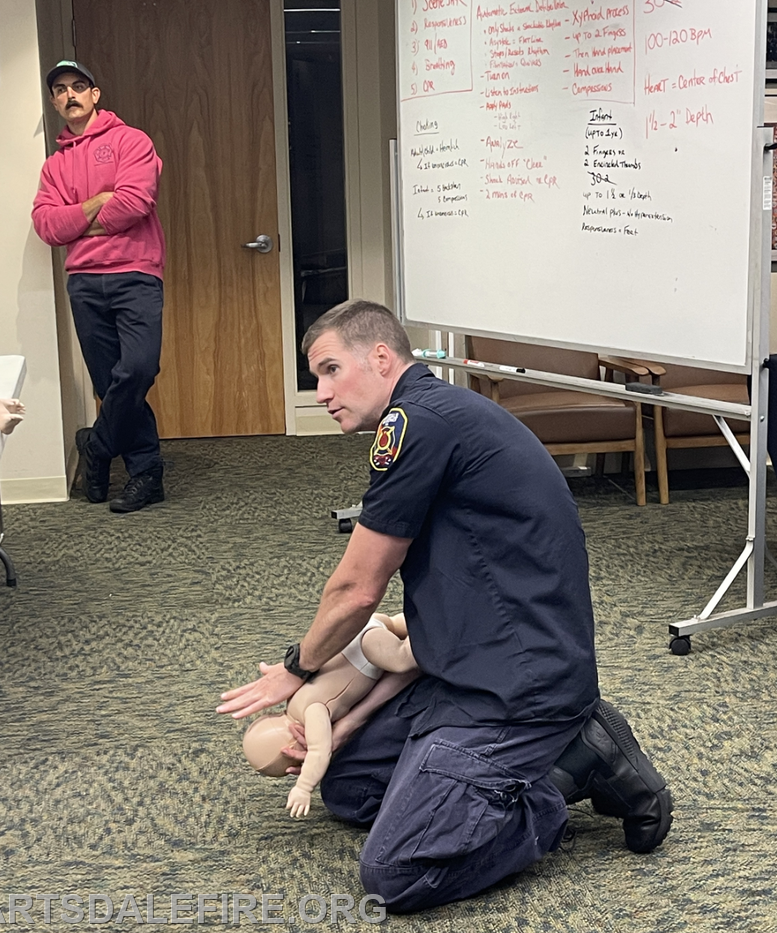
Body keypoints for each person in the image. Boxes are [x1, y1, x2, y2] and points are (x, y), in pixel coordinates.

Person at [217, 299, 672, 913]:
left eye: (330, 370)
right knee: (348, 789)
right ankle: (536, 761)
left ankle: (570, 770)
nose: (321, 392)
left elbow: (356, 590)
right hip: (459, 666)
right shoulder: (437, 414)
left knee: (395, 874)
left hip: (515, 691)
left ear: (381, 357)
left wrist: (297, 668)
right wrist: (344, 713)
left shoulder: (417, 426)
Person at [31, 60, 166, 514]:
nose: (70, 95)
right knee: (111, 383)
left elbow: (135, 202)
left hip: (136, 273)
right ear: (54, 102)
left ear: (95, 94)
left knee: (140, 370)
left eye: (78, 87)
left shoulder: (132, 141)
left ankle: (97, 444)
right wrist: (95, 204)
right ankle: (147, 474)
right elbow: (48, 227)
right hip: (85, 283)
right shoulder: (54, 166)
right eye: (61, 90)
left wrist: (78, 222)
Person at [241, 612, 417, 818]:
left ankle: (438, 638)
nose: (302, 761)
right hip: (360, 631)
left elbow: (319, 751)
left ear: (289, 747)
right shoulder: (294, 702)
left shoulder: (312, 712)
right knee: (396, 625)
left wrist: (304, 787)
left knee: (402, 658)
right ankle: (429, 618)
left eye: (296, 762)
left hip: (367, 646)